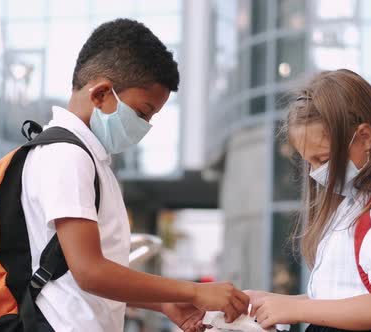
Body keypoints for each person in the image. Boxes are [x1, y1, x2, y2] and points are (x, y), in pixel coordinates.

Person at [21, 18, 249, 332]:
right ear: (100, 93)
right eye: (142, 113)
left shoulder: (87, 156)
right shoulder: (68, 156)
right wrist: (194, 290)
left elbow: (89, 272)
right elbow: (90, 272)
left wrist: (163, 302)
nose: (145, 126)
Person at [245, 69, 371, 331]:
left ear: (365, 137)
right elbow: (339, 297)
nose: (315, 173)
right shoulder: (350, 205)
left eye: (324, 159)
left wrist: (293, 308)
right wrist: (272, 302)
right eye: (309, 162)